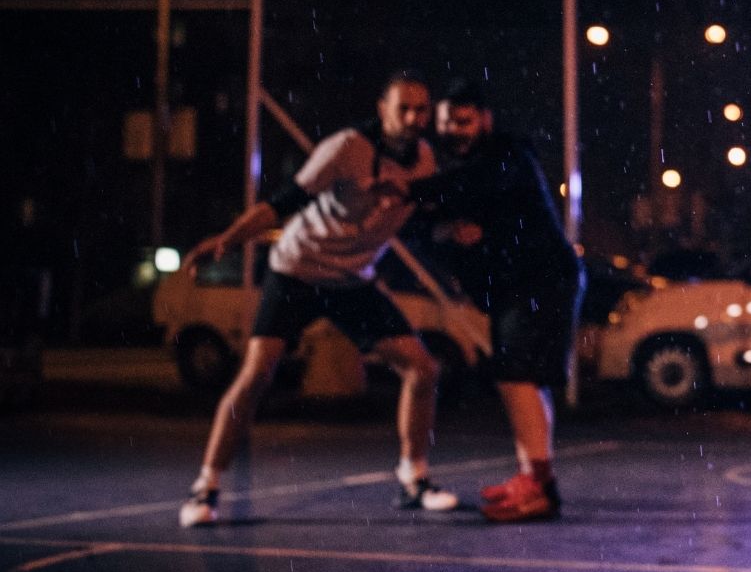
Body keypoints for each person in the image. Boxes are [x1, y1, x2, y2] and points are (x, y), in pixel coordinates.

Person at [179, 73, 456, 526]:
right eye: (403, 108)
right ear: (382, 108)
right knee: (256, 374)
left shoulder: (423, 160)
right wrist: (229, 239)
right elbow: (283, 201)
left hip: (352, 279)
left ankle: (415, 479)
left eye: (421, 110)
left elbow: (423, 220)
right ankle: (205, 487)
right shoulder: (346, 147)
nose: (412, 118)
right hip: (298, 270)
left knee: (422, 368)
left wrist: (453, 232)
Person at [402, 80, 582, 523]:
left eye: (463, 121)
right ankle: (534, 477)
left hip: (540, 279)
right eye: (445, 123)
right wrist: (445, 227)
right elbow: (431, 226)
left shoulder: (506, 154)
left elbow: (467, 189)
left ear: (485, 119)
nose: (453, 131)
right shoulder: (469, 167)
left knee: (516, 376)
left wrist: (409, 191)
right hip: (515, 283)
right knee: (524, 379)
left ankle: (539, 488)